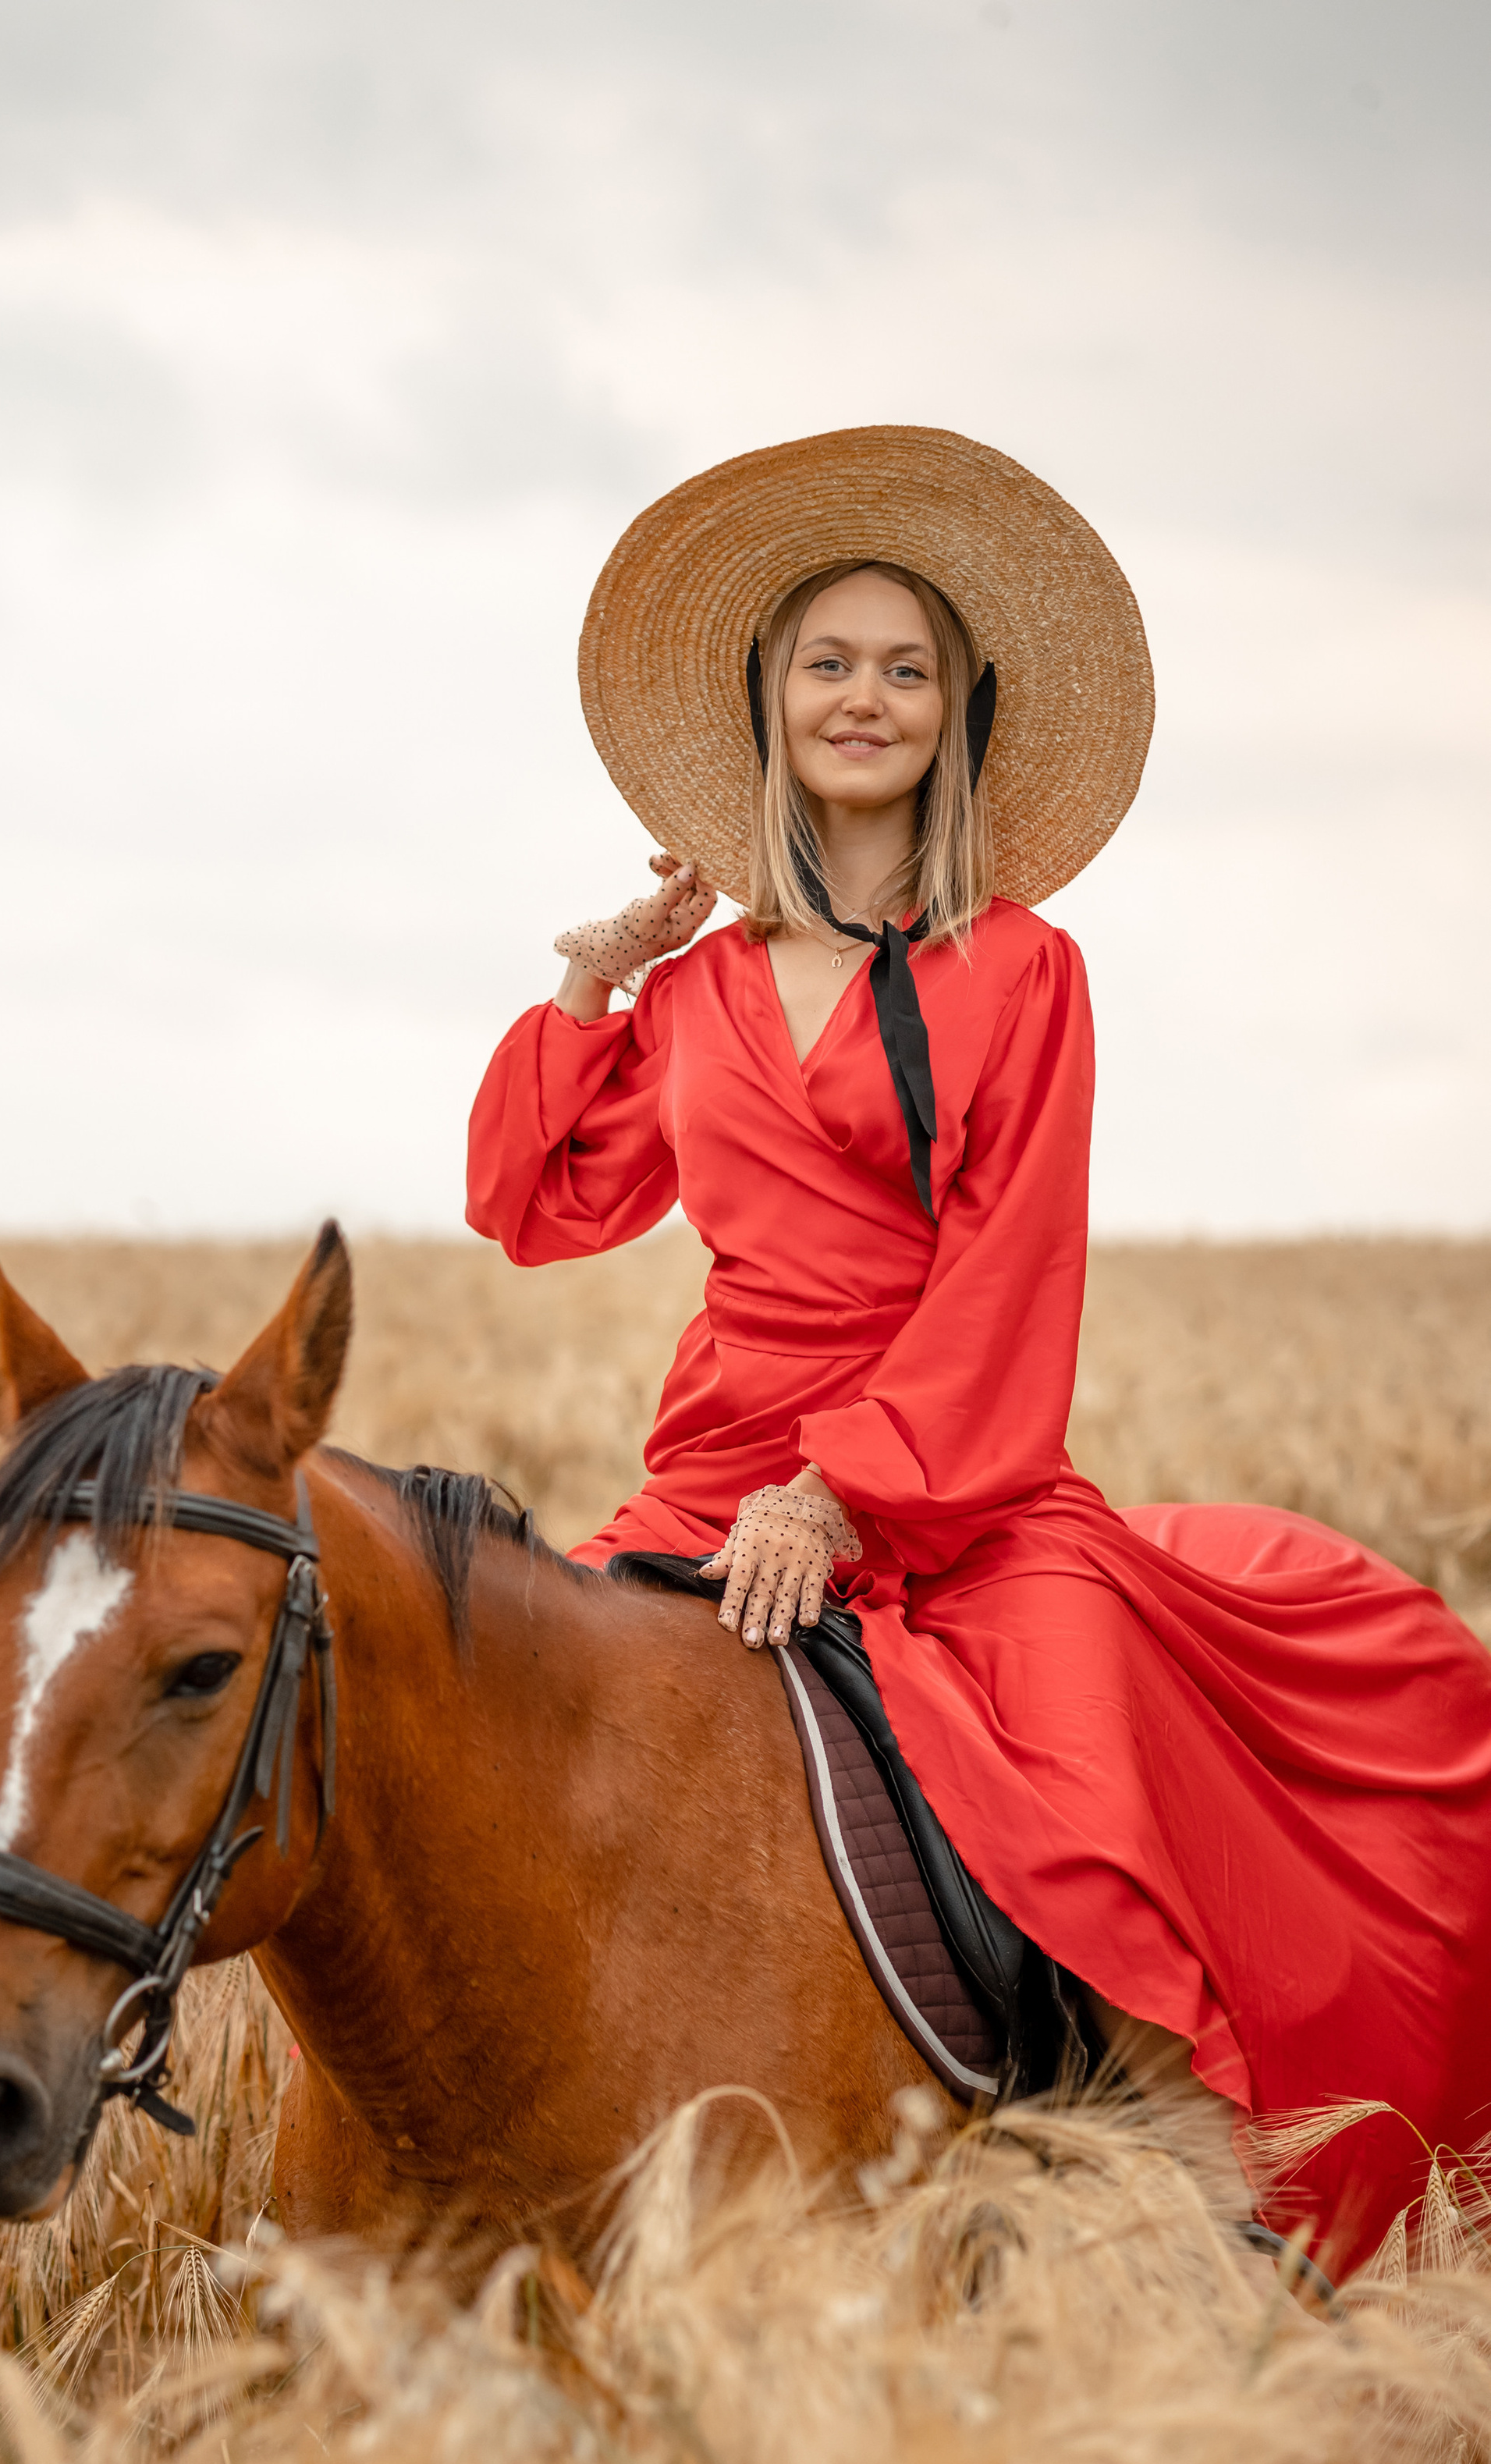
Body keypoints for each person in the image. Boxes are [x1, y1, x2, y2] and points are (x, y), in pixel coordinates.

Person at [466, 425, 1491, 2272]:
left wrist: (842, 1491)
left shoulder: (1021, 970)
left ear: (957, 714)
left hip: (950, 1492)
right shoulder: (694, 991)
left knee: (1088, 1799)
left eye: (904, 668)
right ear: (766, 703)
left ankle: (1183, 2214)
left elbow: (1007, 1274)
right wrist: (591, 975)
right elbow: (537, 1201)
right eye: (826, 664)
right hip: (706, 1474)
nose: (863, 698)